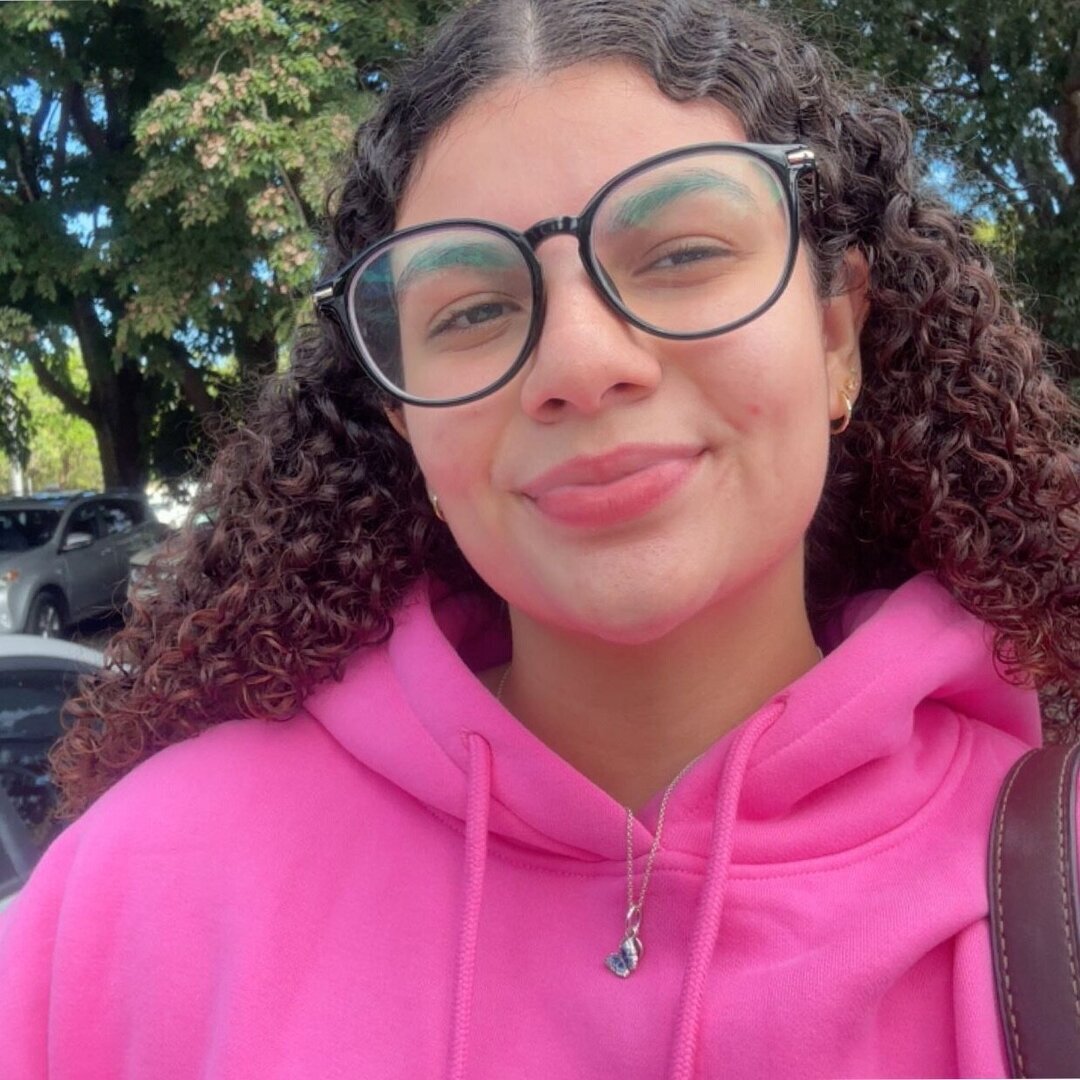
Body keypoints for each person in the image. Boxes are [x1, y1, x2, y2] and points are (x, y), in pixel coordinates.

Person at [1, 1, 1077, 1076]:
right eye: (472, 310)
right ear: (404, 418)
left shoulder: (1051, 895)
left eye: (683, 253)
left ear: (836, 331)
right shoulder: (133, 897)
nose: (578, 363)